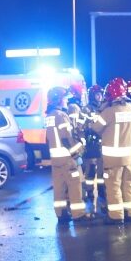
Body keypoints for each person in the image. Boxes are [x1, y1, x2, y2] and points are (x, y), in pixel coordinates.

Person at [96, 78, 131, 223]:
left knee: (113, 187)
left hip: (112, 159)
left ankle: (116, 216)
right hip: (128, 157)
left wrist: (102, 107)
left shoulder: (108, 112)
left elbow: (95, 128)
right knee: (128, 185)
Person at [46, 87, 88, 222]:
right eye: (65, 98)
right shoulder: (61, 115)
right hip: (67, 158)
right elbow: (66, 137)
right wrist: (78, 150)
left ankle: (61, 215)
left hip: (56, 159)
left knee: (59, 187)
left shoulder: (50, 116)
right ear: (58, 100)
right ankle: (78, 214)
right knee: (74, 185)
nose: (66, 101)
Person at [81, 85, 105, 202]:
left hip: (101, 143)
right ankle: (89, 191)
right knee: (90, 169)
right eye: (97, 94)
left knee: (102, 170)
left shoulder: (104, 108)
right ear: (92, 96)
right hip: (91, 143)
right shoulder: (86, 109)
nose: (99, 96)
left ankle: (102, 190)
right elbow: (83, 126)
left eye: (101, 94)